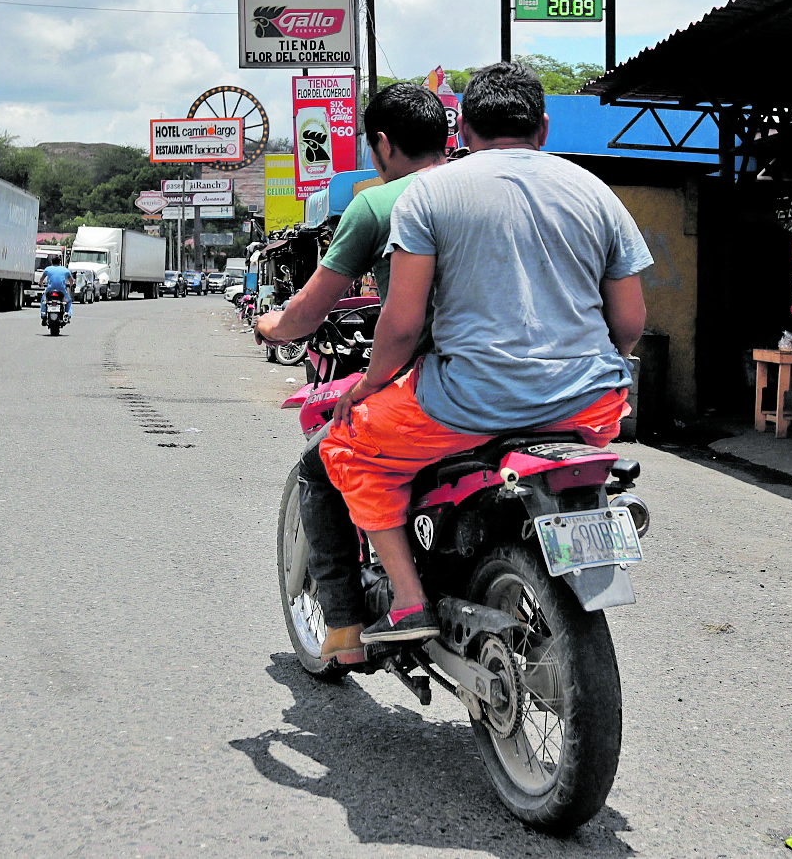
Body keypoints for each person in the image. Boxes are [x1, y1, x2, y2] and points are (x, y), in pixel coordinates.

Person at [320, 61, 652, 644]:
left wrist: (367, 386)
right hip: (589, 406)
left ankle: (407, 599)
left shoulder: (428, 194)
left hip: (469, 404)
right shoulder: (596, 192)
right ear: (544, 129)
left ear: (464, 132)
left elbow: (400, 327)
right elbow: (629, 322)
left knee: (348, 442)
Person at [256, 82, 449, 665]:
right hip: (565, 386)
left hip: (437, 385)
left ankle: (342, 628)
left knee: (326, 458)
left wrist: (272, 327)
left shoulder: (380, 203)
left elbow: (319, 310)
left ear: (383, 145)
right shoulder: (491, 190)